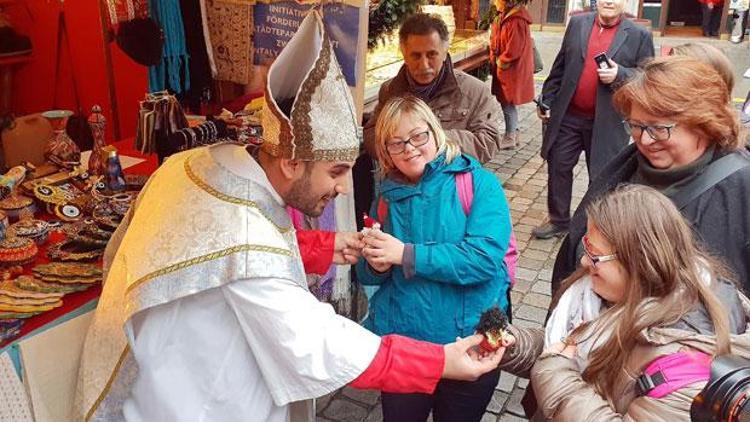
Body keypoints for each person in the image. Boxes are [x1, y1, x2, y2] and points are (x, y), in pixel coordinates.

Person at [74, 12, 504, 422]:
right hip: (200, 401)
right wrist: (440, 359)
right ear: (291, 163)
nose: (342, 188)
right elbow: (315, 343)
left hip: (159, 374)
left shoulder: (195, 167)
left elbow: (214, 253)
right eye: (335, 172)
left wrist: (326, 245)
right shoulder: (245, 240)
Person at [499, 185, 750, 420]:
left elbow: (562, 361)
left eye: (595, 255)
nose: (585, 262)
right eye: (586, 246)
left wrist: (554, 372)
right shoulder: (611, 296)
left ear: (641, 262)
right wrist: (512, 345)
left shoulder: (687, 372)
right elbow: (570, 347)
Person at [356, 95, 512, 422]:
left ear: (435, 132)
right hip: (406, 346)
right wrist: (375, 263)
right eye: (396, 143)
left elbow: (483, 259)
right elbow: (368, 275)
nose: (410, 148)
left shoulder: (478, 184)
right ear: (385, 151)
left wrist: (405, 254)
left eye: (418, 136)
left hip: (469, 340)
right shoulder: (385, 197)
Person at [552, 55, 750, 295]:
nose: (645, 140)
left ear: (704, 124)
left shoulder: (740, 188)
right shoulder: (625, 167)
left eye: (659, 128)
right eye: (636, 126)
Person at [532, 0, 654, 239]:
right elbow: (561, 65)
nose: (609, 1)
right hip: (569, 115)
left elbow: (648, 77)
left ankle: (595, 226)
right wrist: (547, 98)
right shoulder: (578, 23)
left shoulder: (639, 34)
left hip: (607, 122)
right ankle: (559, 220)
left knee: (601, 176)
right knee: (558, 166)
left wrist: (621, 74)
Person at [362, 13, 504, 165]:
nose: (424, 65)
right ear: (404, 54)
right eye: (416, 56)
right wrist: (398, 152)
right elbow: (372, 135)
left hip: (451, 183)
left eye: (431, 55)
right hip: (402, 184)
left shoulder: (475, 91)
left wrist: (432, 138)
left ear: (444, 52)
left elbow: (488, 142)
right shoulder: (390, 90)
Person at [489, 0, 535, 150]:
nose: (495, 3)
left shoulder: (516, 20)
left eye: (497, 0)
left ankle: (510, 135)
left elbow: (514, 48)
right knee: (507, 101)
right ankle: (513, 133)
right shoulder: (507, 16)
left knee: (507, 102)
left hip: (511, 70)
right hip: (507, 68)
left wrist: (502, 61)